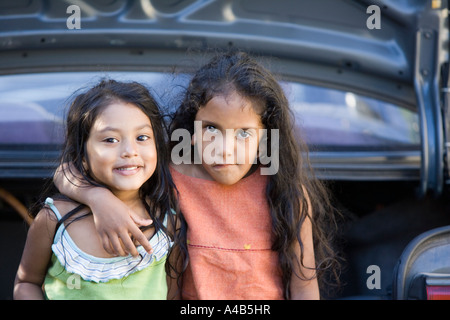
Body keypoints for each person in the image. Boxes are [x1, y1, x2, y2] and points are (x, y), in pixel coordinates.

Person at [53, 51, 341, 299]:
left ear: (266, 138)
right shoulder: (169, 176)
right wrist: (98, 199)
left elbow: (304, 286)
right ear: (192, 130)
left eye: (244, 133)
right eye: (211, 129)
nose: (224, 150)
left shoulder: (284, 192)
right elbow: (65, 172)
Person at [14, 79, 181, 300]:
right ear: (82, 155)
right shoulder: (54, 219)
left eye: (142, 137)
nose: (130, 151)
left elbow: (174, 294)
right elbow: (26, 282)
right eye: (110, 139)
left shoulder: (169, 221)